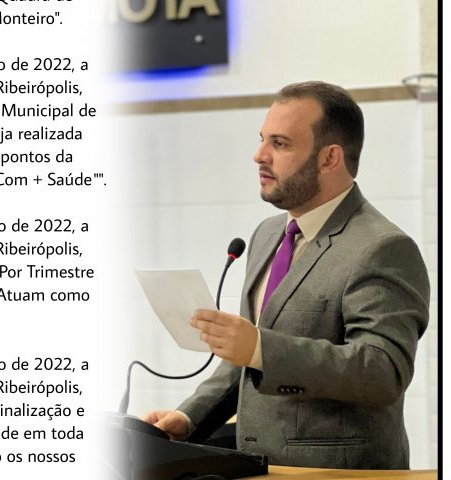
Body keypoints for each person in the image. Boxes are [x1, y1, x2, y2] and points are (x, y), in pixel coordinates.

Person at [142, 81, 429, 469]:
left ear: (329, 158)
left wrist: (261, 347)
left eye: (279, 143)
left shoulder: (383, 247)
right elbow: (246, 359)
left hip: (337, 474)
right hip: (258, 466)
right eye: (263, 140)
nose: (259, 155)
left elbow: (382, 370)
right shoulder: (267, 235)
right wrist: (189, 417)